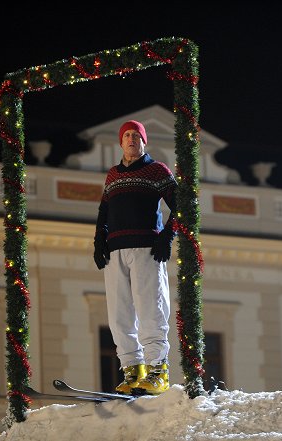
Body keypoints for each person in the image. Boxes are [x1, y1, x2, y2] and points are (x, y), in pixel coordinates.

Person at [93, 120, 177, 395]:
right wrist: (99, 239)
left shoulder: (156, 171)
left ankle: (157, 370)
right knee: (119, 314)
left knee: (151, 308)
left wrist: (167, 235)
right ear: (121, 142)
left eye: (136, 136)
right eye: (127, 135)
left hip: (146, 248)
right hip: (116, 249)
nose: (131, 140)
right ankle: (132, 370)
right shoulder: (113, 175)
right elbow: (104, 211)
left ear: (144, 141)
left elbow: (182, 205)